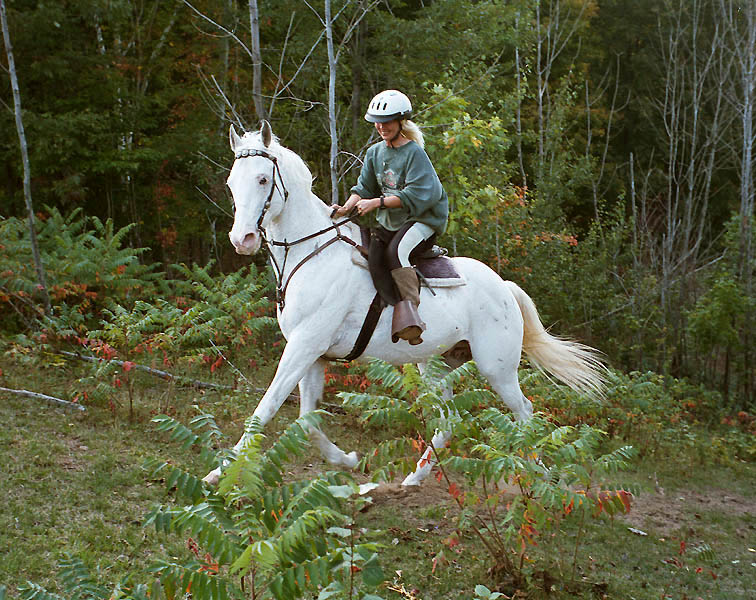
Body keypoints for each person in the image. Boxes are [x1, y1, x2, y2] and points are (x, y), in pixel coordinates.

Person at [333, 89, 449, 345]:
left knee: (396, 252)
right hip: (392, 219)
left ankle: (411, 313)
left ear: (401, 122)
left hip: (422, 217)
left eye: (386, 122)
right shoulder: (375, 153)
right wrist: (344, 208)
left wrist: (378, 202)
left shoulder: (415, 153)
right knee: (374, 256)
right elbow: (363, 188)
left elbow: (418, 195)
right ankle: (396, 308)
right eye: (377, 122)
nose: (381, 127)